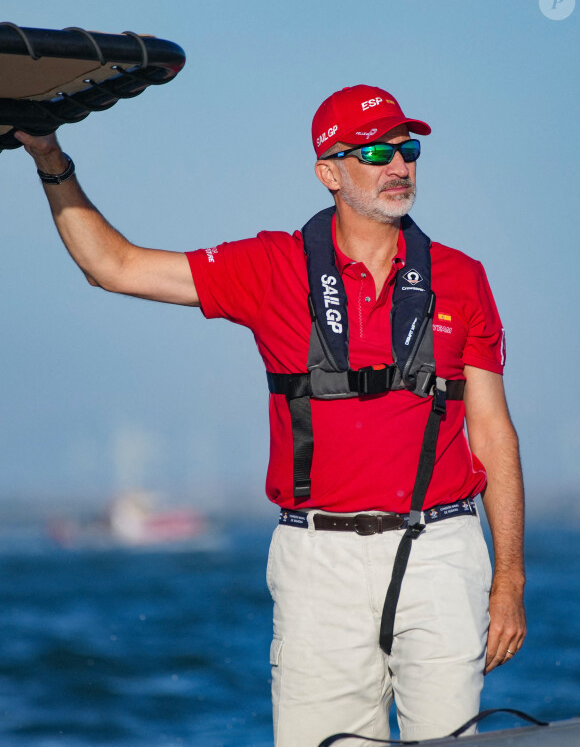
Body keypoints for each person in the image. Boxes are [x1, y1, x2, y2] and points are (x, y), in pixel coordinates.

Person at [16, 84, 526, 747]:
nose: (399, 165)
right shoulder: (272, 266)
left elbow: (491, 431)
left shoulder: (462, 277)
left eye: (408, 147)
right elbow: (114, 266)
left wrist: (509, 579)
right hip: (318, 557)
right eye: (375, 150)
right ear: (329, 173)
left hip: (441, 550)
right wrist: (50, 155)